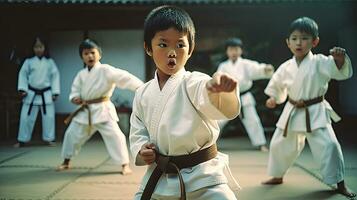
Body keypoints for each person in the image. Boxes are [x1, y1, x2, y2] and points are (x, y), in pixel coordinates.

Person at [129, 5, 241, 200]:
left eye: (180, 45)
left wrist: (217, 90)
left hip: (204, 177)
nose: (172, 52)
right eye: (163, 45)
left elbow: (207, 95)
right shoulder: (142, 93)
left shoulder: (194, 81)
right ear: (148, 47)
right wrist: (142, 149)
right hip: (160, 177)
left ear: (190, 50)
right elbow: (138, 131)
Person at [262, 16, 356, 198]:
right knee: (279, 144)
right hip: (292, 111)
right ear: (288, 42)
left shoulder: (321, 61)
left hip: (316, 110)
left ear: (315, 41)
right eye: (295, 38)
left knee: (329, 146)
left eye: (304, 38)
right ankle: (277, 175)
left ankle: (340, 183)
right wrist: (274, 98)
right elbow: (277, 87)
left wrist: (339, 61)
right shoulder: (286, 67)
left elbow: (339, 72)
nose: (299, 43)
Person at [56, 39, 143, 175]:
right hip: (85, 110)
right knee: (71, 134)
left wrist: (141, 87)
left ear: (99, 54)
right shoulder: (81, 74)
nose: (90, 56)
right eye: (86, 53)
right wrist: (75, 98)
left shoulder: (106, 70)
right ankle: (66, 161)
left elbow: (125, 78)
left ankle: (124, 164)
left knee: (116, 136)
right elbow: (75, 90)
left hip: (103, 109)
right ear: (82, 57)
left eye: (92, 52)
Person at [217, 37, 274, 152]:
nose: (234, 52)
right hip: (229, 97)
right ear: (227, 51)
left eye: (236, 49)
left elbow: (257, 69)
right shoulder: (223, 66)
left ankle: (260, 144)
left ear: (241, 51)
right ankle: (209, 143)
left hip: (244, 96)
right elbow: (217, 78)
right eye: (231, 49)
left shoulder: (246, 64)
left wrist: (265, 69)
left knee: (253, 120)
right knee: (218, 120)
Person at [15, 36, 60, 148]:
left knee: (48, 118)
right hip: (31, 94)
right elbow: (23, 75)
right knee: (26, 118)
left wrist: (55, 92)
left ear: (45, 47)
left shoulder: (50, 62)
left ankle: (49, 139)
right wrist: (23, 89)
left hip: (46, 94)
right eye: (36, 47)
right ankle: (22, 140)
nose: (39, 49)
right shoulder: (28, 62)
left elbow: (55, 77)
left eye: (41, 46)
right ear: (32, 48)